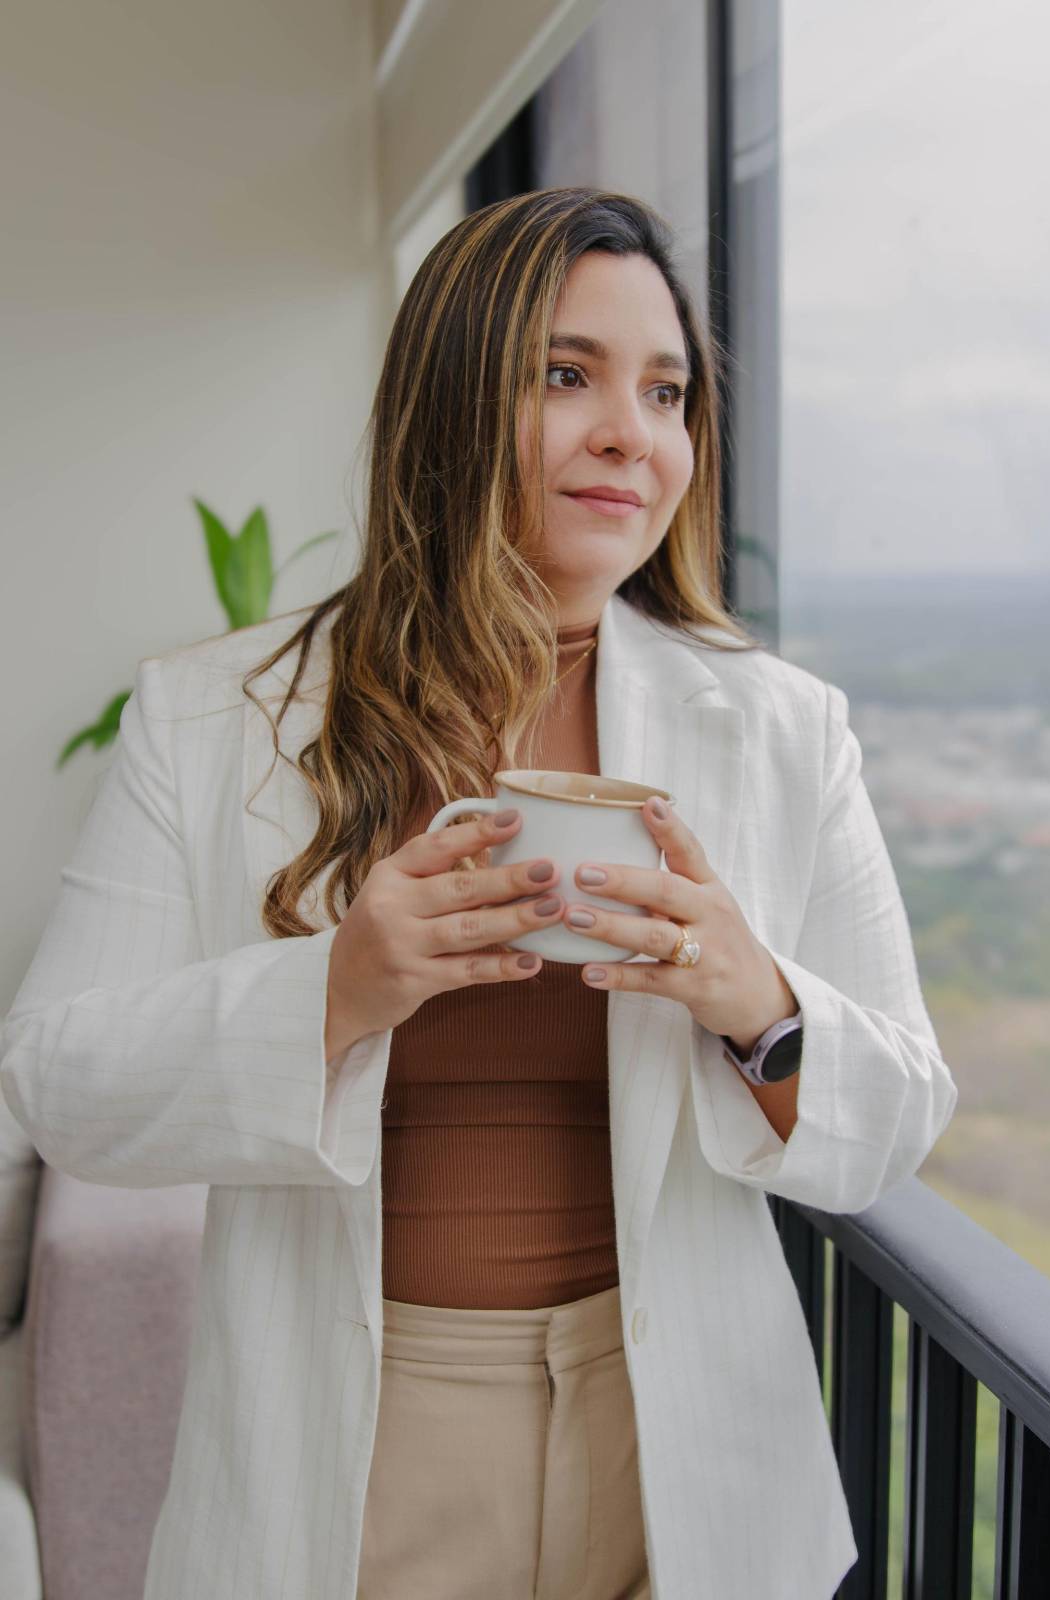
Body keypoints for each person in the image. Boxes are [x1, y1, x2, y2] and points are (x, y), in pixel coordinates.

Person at [1, 187, 958, 1600]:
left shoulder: (779, 728)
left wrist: (757, 1003)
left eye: (665, 390)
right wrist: (336, 989)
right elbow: (57, 1082)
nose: (631, 433)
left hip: (679, 1443)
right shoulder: (212, 716)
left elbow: (897, 1117)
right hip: (355, 1445)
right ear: (449, 400)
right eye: (564, 376)